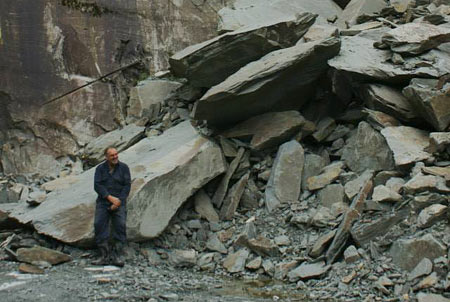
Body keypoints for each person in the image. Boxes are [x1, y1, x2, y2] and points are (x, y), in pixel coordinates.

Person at [92, 146, 131, 267]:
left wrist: (119, 201)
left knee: (120, 225)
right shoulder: (100, 169)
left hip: (119, 202)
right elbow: (97, 185)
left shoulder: (124, 168)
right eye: (112, 155)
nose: (115, 157)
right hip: (104, 202)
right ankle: (103, 255)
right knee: (99, 224)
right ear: (106, 157)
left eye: (116, 154)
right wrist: (109, 198)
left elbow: (127, 185)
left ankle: (117, 256)